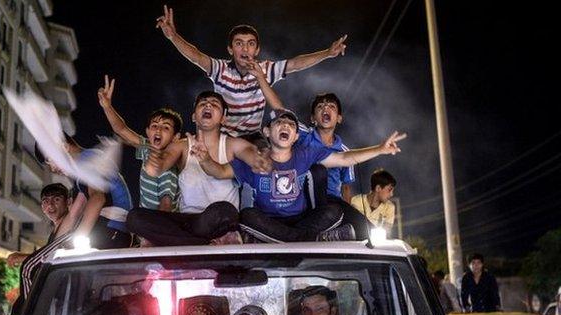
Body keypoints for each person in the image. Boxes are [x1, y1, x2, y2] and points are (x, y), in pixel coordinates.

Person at [191, 63, 406, 242]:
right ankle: (310, 239)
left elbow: (344, 158)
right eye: (279, 123)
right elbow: (219, 172)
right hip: (269, 219)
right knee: (247, 216)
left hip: (302, 218)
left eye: (290, 125)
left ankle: (286, 239)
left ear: (296, 136)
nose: (285, 125)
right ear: (267, 131)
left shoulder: (305, 153)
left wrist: (380, 149)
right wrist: (205, 158)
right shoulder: (255, 159)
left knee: (334, 211)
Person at [156, 5, 347, 139]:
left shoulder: (265, 70)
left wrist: (328, 53)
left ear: (256, 50)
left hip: (252, 137)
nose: (245, 49)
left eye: (250, 44)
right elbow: (196, 56)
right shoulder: (220, 69)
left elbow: (296, 63)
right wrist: (173, 36)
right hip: (223, 135)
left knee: (270, 157)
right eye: (239, 44)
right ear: (231, 49)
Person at [126, 91, 270, 246]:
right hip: (188, 221)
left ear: (223, 118)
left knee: (225, 210)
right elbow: (161, 164)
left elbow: (249, 152)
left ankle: (184, 243)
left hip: (217, 220)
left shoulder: (232, 144)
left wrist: (258, 160)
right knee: (135, 218)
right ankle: (201, 243)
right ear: (194, 116)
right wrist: (155, 165)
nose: (208, 105)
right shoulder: (181, 146)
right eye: (203, 103)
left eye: (214, 104)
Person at [0, 184, 78, 315]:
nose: (50, 205)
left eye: (56, 199)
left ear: (68, 202)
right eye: (46, 201)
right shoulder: (56, 229)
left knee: (23, 306)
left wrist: (22, 257)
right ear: (42, 206)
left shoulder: (68, 224)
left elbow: (51, 258)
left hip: (56, 294)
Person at [98, 75, 182, 211]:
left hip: (160, 223)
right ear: (148, 132)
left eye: (166, 127)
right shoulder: (147, 148)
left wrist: (154, 231)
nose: (159, 129)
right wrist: (107, 106)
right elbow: (122, 129)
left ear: (175, 138)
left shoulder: (169, 167)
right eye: (154, 126)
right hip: (146, 219)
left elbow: (166, 204)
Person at [297, 93, 374, 239]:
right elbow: (281, 111)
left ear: (339, 118)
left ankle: (330, 233)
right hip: (303, 197)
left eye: (331, 106)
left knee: (368, 231)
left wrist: (347, 213)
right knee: (317, 171)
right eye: (320, 106)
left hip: (332, 201)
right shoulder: (303, 136)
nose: (326, 107)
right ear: (313, 118)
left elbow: (346, 187)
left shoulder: (344, 151)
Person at [38, 134, 137, 249]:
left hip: (112, 229)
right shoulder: (81, 173)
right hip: (112, 230)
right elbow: (73, 214)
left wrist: (78, 237)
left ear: (64, 147)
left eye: (51, 159)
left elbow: (97, 200)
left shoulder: (88, 160)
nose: (53, 168)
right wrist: (51, 247)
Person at [350, 169, 397, 234]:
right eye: (389, 190)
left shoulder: (389, 207)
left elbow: (387, 231)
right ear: (378, 188)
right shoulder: (356, 201)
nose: (391, 194)